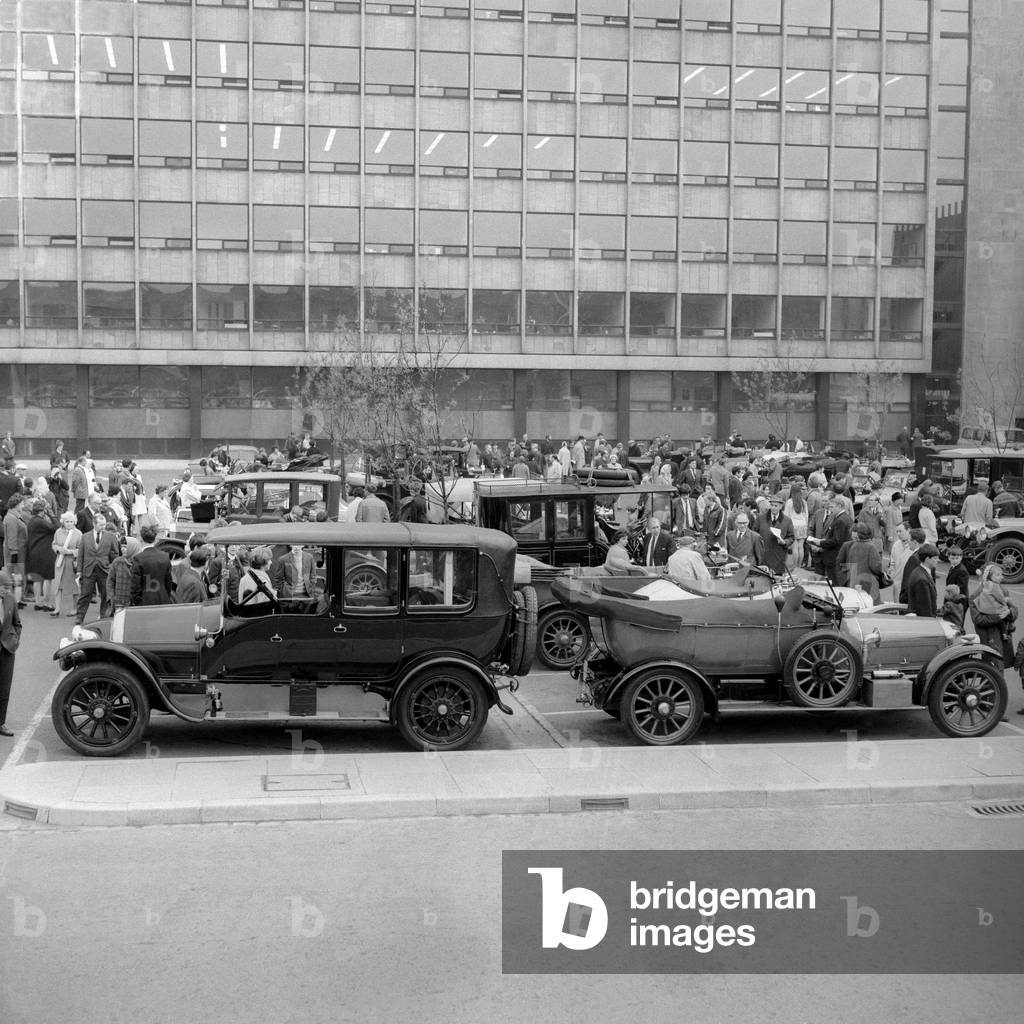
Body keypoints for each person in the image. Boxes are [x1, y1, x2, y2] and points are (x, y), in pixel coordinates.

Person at [970, 565, 1018, 675]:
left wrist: (1009, 612)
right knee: (992, 670)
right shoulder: (975, 596)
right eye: (997, 575)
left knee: (998, 669)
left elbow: (1014, 609)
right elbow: (978, 619)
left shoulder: (1002, 590)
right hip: (989, 639)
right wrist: (999, 616)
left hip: (1002, 637)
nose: (1001, 577)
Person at [75, 512, 119, 623]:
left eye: (104, 525)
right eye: (101, 525)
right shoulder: (85, 537)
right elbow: (81, 554)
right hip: (88, 570)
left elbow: (115, 553)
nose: (103, 527)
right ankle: (79, 617)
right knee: (85, 594)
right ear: (94, 524)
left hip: (104, 570)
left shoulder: (111, 537)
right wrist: (79, 570)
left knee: (105, 594)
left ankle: (103, 616)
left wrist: (111, 566)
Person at [24, 499, 58, 611]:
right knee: (48, 578)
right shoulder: (40, 521)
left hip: (34, 552)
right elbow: (56, 527)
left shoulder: (32, 521)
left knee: (37, 579)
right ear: (42, 510)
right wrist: (52, 514)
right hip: (45, 553)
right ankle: (46, 603)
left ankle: (38, 602)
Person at [838, 522, 885, 601]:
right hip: (868, 582)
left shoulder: (854, 546)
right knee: (870, 606)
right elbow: (876, 567)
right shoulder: (871, 547)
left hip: (854, 582)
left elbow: (847, 564)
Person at [0, 568, 22, 737]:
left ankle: (1, 723)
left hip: (7, 649)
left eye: (8, 588)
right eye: (4, 587)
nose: (7, 591)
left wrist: (15, 641)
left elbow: (17, 623)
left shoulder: (11, 600)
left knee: (4, 688)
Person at [50, 510, 81, 617]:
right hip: (60, 562)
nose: (69, 523)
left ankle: (75, 608)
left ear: (74, 522)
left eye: (71, 521)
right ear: (63, 522)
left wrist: (70, 552)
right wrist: (59, 549)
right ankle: (57, 609)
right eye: (67, 521)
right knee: (57, 585)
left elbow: (81, 549)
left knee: (73, 586)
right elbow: (54, 545)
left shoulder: (78, 534)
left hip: (72, 563)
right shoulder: (58, 532)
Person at [754, 493, 794, 575]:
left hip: (779, 556)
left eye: (776, 506)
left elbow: (791, 537)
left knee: (777, 580)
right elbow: (754, 534)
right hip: (763, 555)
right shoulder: (760, 519)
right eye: (771, 505)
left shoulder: (787, 521)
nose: (773, 508)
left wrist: (785, 542)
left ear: (781, 506)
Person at [107, 536, 141, 613]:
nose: (122, 549)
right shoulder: (117, 562)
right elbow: (110, 582)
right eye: (122, 547)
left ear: (132, 548)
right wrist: (112, 598)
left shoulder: (139, 563)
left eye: (125, 547)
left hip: (135, 604)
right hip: (119, 603)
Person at [905, 543, 940, 617]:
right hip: (923, 621)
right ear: (927, 559)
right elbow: (925, 609)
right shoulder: (922, 580)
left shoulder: (918, 571)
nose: (938, 561)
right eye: (935, 558)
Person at [783, 482, 809, 569]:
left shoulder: (790, 502)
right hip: (802, 525)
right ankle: (799, 565)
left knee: (795, 547)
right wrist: (806, 525)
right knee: (801, 547)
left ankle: (795, 566)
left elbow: (786, 515)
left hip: (793, 524)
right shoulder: (803, 502)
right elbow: (806, 515)